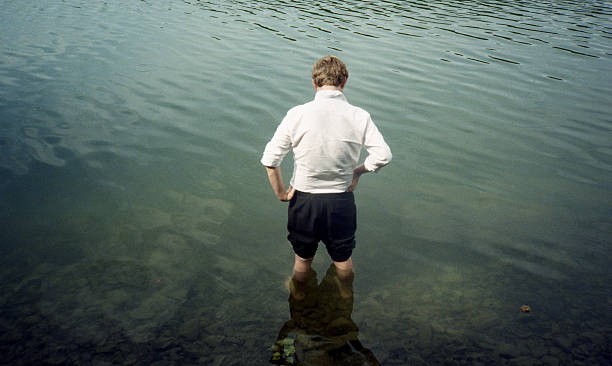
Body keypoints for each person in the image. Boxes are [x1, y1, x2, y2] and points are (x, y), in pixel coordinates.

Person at [261, 55, 392, 282]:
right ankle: (344, 298)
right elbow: (383, 155)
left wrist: (282, 193)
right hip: (340, 200)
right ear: (345, 82)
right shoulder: (360, 116)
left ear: (314, 83)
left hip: (303, 200)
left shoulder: (297, 114)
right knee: (342, 260)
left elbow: (270, 160)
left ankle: (300, 300)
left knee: (302, 260)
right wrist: (358, 172)